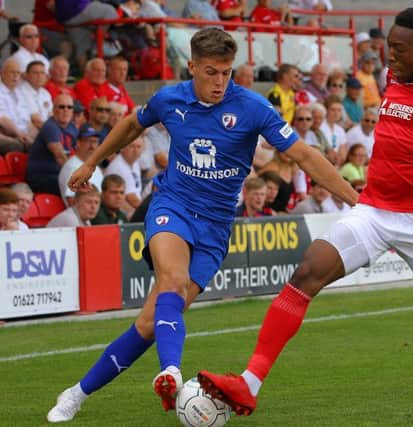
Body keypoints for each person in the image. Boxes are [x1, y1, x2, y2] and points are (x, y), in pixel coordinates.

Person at [198, 7, 413, 415]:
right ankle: (249, 383)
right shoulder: (392, 78)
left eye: (400, 49)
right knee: (307, 271)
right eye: (389, 48)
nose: (391, 57)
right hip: (375, 211)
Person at [47, 27, 357, 423]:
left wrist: (357, 202)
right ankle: (172, 370)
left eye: (226, 72)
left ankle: (75, 393)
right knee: (172, 282)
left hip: (215, 227)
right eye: (211, 72)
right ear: (191, 66)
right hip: (172, 206)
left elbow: (304, 155)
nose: (220, 82)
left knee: (147, 323)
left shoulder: (252, 108)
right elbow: (131, 124)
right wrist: (93, 162)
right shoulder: (169, 99)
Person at [58, 124, 103, 206]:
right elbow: (71, 201)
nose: (92, 146)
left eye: (95, 142)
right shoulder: (72, 167)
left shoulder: (95, 167)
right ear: (78, 143)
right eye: (89, 141)